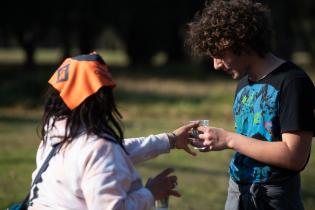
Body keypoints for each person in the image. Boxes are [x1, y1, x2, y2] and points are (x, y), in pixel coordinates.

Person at [27, 52, 198, 210]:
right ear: (101, 97)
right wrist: (151, 193)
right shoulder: (97, 148)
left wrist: (171, 140)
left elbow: (113, 153)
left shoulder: (56, 135)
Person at [186, 0, 315, 209]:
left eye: (220, 55)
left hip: (274, 200)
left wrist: (228, 139)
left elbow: (295, 157)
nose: (216, 65)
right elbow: (251, 142)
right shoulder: (244, 84)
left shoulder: (292, 82)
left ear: (242, 42)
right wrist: (215, 139)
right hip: (237, 193)